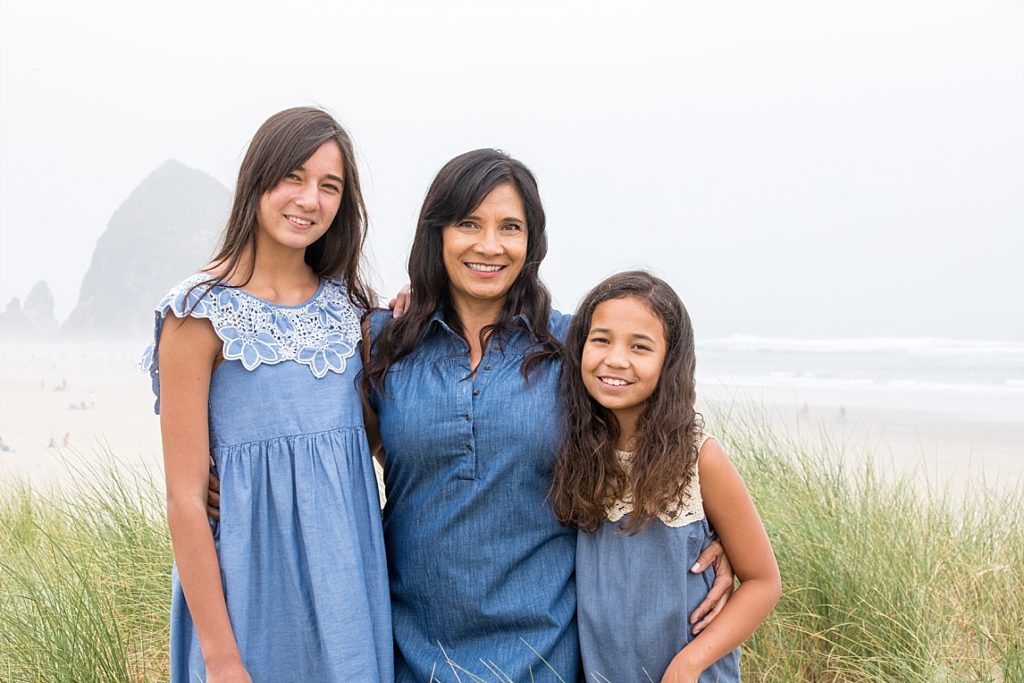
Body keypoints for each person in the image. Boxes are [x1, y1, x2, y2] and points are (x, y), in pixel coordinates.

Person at [362, 150, 734, 682]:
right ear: (436, 233)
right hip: (410, 650)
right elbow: (347, 443)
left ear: (532, 242)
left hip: (545, 652)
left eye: (509, 227)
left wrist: (712, 536)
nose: (489, 245)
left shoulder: (572, 346)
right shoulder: (384, 340)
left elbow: (665, 434)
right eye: (469, 223)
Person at [143, 107, 392, 682]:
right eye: (293, 177)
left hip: (347, 588)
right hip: (246, 592)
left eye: (329, 186)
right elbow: (184, 500)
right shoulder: (198, 312)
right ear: (258, 180)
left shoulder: (353, 310)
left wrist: (406, 319)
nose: (310, 200)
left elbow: (370, 443)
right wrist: (222, 659)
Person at [551, 271, 781, 683]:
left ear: (669, 361)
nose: (616, 359)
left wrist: (689, 664)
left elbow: (763, 582)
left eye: (640, 347)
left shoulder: (699, 457)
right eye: (601, 340)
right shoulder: (577, 448)